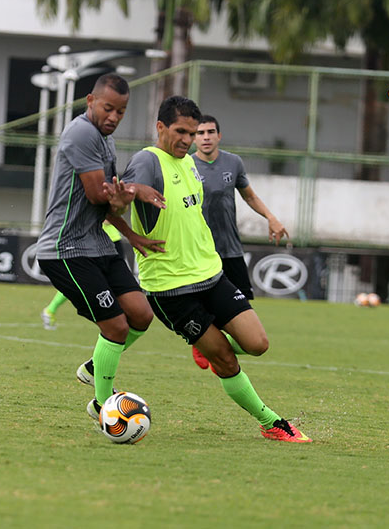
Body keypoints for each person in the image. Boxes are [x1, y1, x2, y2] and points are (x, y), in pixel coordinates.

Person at [81, 95, 310, 442]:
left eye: (192, 133)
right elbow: (117, 200)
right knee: (227, 362)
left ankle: (205, 342)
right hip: (171, 290)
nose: (187, 140)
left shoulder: (188, 162)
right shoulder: (148, 161)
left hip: (212, 275)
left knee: (258, 344)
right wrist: (131, 223)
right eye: (180, 132)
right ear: (161, 128)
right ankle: (272, 423)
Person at [36, 73, 165, 422]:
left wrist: (132, 235)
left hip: (96, 244)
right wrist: (135, 191)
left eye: (121, 112)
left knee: (141, 315)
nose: (114, 117)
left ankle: (95, 366)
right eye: (108, 108)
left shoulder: (105, 140)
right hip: (65, 251)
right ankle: (103, 407)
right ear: (90, 101)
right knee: (116, 328)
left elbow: (110, 203)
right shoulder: (81, 134)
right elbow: (98, 195)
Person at [190, 114, 289, 370]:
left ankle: (214, 350)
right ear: (193, 138)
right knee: (208, 308)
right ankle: (205, 345)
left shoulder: (233, 163)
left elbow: (249, 196)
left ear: (219, 136)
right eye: (200, 133)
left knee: (240, 311)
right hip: (200, 252)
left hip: (231, 250)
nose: (206, 137)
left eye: (210, 131)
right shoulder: (186, 166)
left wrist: (271, 218)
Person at [41, 221, 125, 331]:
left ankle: (50, 310)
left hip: (111, 239)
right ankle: (50, 310)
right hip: (104, 241)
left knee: (92, 282)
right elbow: (107, 219)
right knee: (83, 281)